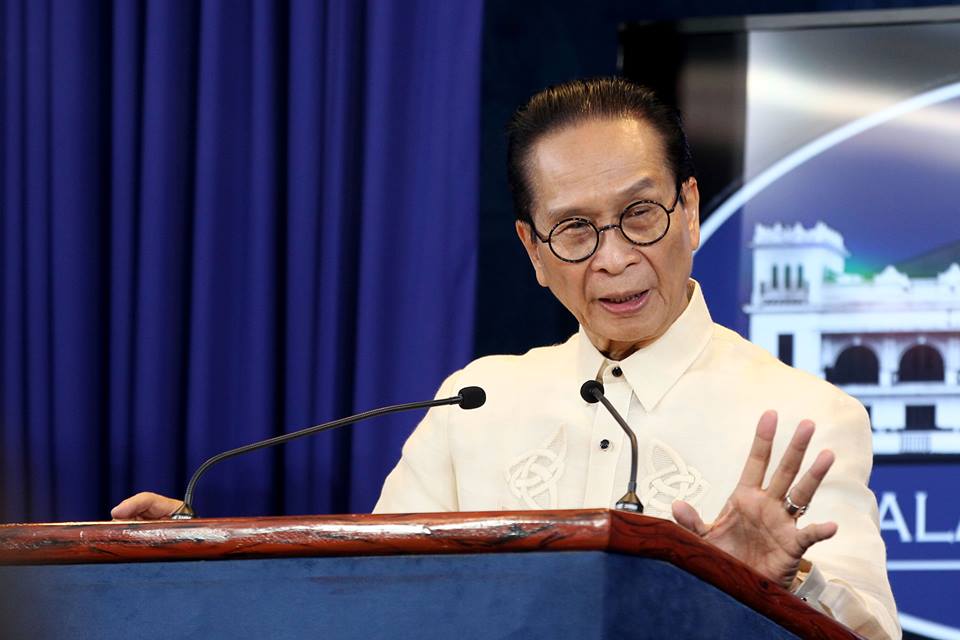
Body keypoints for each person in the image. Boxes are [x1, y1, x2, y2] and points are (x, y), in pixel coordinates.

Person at [112, 77, 899, 639]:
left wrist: (780, 590)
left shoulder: (806, 417)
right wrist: (202, 560)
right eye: (576, 229)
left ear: (689, 210)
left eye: (640, 214)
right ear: (533, 250)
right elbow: (366, 601)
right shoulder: (477, 401)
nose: (614, 257)